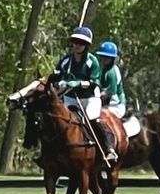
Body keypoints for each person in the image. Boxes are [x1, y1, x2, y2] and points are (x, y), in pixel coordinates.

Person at [48, 26, 115, 164]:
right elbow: (56, 74)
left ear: (86, 46)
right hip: (70, 97)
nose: (77, 45)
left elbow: (94, 82)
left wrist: (76, 83)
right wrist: (58, 79)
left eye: (81, 43)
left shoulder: (93, 61)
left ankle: (108, 149)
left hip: (89, 98)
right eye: (75, 42)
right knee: (57, 120)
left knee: (93, 121)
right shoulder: (66, 61)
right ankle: (50, 152)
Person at [97, 41, 142, 142]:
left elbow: (108, 94)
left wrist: (93, 96)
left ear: (112, 59)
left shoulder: (112, 72)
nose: (105, 59)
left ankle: (109, 146)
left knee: (101, 120)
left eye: (107, 58)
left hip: (115, 105)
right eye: (103, 57)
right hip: (105, 104)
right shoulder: (102, 69)